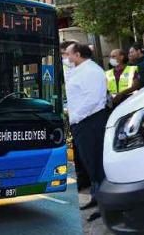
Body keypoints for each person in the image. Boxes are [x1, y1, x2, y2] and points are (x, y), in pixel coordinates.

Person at [65, 42, 107, 222]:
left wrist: (75, 117)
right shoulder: (79, 70)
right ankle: (96, 197)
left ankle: (105, 206)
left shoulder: (91, 70)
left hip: (90, 122)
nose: (65, 58)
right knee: (89, 163)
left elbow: (92, 99)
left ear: (77, 54)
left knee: (96, 163)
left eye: (67, 54)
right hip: (81, 122)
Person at [60, 40, 91, 191]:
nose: (64, 58)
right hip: (75, 117)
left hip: (84, 117)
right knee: (79, 152)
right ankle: (83, 180)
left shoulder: (82, 70)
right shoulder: (67, 69)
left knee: (84, 152)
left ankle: (88, 181)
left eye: (65, 54)